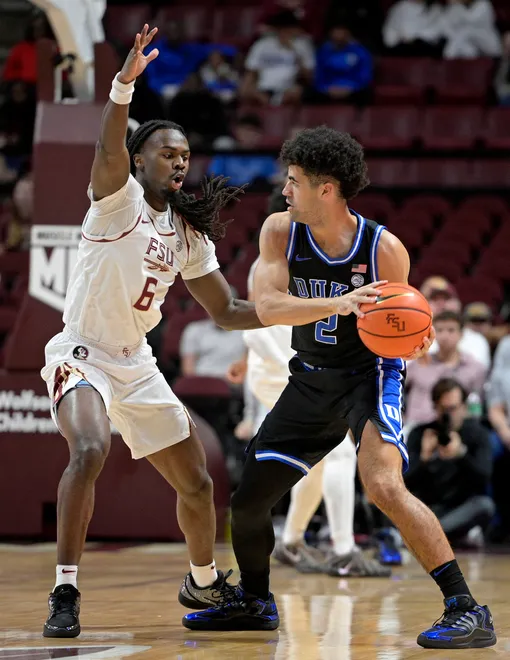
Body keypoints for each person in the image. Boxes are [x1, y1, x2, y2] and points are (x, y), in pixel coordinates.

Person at [182, 126, 496, 650]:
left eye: (294, 180)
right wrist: (339, 303)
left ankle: (467, 607)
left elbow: (404, 327)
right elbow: (265, 305)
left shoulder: (384, 248)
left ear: (326, 188)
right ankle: (256, 604)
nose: (284, 189)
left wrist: (413, 343)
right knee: (249, 503)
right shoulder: (280, 231)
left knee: (383, 485)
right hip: (309, 378)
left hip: (369, 378)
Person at [39, 25, 262, 639]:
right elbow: (109, 145)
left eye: (186, 155)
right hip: (82, 352)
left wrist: (316, 307)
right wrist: (123, 86)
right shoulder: (118, 199)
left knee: (197, 483)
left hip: (137, 363)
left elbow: (229, 312)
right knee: (89, 450)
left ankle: (203, 579)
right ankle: (65, 590)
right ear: (140, 159)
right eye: (168, 152)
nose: (180, 161)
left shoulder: (191, 234)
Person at [230, 258, 390, 577]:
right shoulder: (270, 258)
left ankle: (291, 541)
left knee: (317, 458)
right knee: (340, 452)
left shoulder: (317, 254)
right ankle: (344, 550)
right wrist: (292, 365)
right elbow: (257, 322)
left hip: (304, 367)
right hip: (282, 370)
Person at [406, 378, 494, 545]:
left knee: (485, 505)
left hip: (459, 508)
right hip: (426, 509)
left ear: (464, 407)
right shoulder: (421, 433)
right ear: (435, 407)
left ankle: (427, 537)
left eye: (453, 409)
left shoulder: (477, 434)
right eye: (443, 409)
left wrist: (462, 455)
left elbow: (484, 478)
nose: (448, 415)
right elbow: (404, 482)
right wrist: (424, 458)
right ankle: (437, 537)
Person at [406, 310, 488, 427]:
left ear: (461, 334)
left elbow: (476, 406)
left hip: (458, 428)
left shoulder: (475, 368)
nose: (444, 336)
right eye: (439, 330)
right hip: (416, 426)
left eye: (451, 330)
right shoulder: (419, 363)